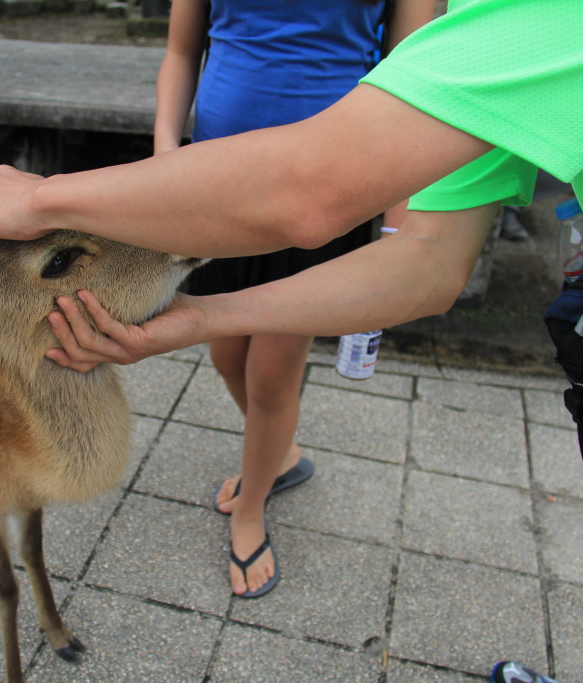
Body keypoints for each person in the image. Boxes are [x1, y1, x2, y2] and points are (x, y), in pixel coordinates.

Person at [0, 1, 583, 680]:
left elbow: (314, 192)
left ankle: (257, 499)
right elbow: (427, 262)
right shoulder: (488, 21)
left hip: (301, 198)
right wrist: (200, 316)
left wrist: (43, 197)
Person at [153, 0, 433, 598]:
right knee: (226, 355)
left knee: (272, 373)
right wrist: (164, 156)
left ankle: (252, 507)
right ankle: (279, 455)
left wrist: (395, 226)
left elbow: (413, 74)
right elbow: (182, 50)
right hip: (217, 185)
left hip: (327, 190)